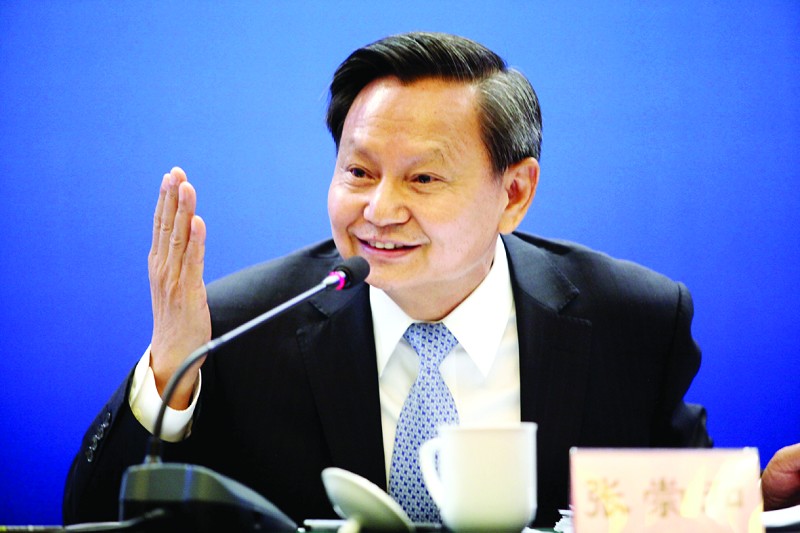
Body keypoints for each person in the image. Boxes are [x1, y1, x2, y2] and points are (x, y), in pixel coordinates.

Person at [63, 32, 799, 528]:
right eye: (358, 171)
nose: (379, 211)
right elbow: (92, 517)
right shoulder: (243, 325)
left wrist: (757, 509)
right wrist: (170, 372)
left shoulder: (629, 318)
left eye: (422, 178)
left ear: (515, 193)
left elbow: (670, 510)